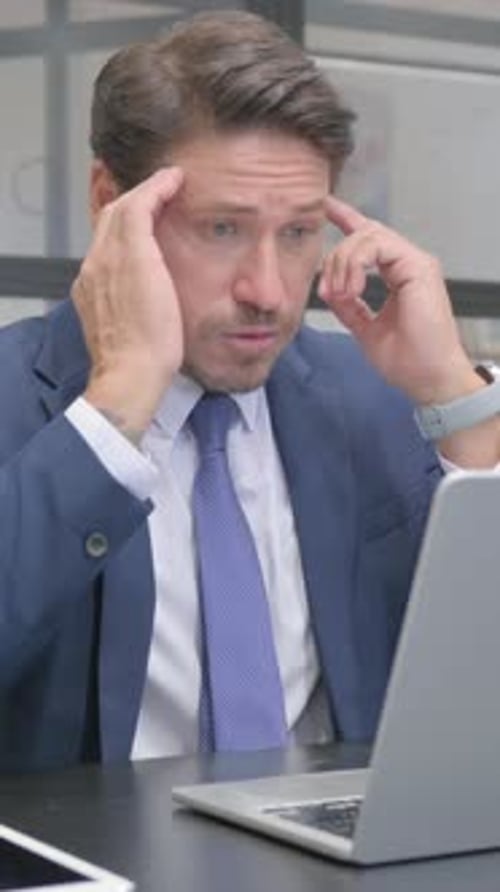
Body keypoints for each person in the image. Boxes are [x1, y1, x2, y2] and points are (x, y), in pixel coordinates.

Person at [0, 11, 498, 772]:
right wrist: (120, 405)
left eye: (299, 233)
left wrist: (456, 399)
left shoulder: (376, 398)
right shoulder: (16, 400)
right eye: (222, 229)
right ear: (110, 202)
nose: (268, 292)